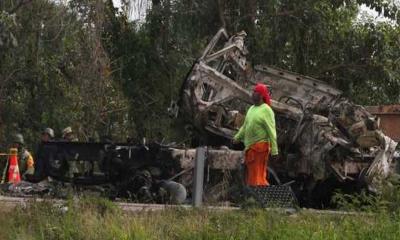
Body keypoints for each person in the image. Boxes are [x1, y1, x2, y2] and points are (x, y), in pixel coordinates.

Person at [233, 83, 278, 187]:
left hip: (260, 148)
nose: (253, 94)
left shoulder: (267, 110)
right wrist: (237, 137)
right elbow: (245, 126)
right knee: (253, 176)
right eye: (253, 92)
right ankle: (255, 197)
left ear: (262, 95)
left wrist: (275, 151)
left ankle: (260, 196)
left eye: (256, 92)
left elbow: (272, 131)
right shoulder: (251, 108)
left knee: (257, 176)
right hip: (250, 148)